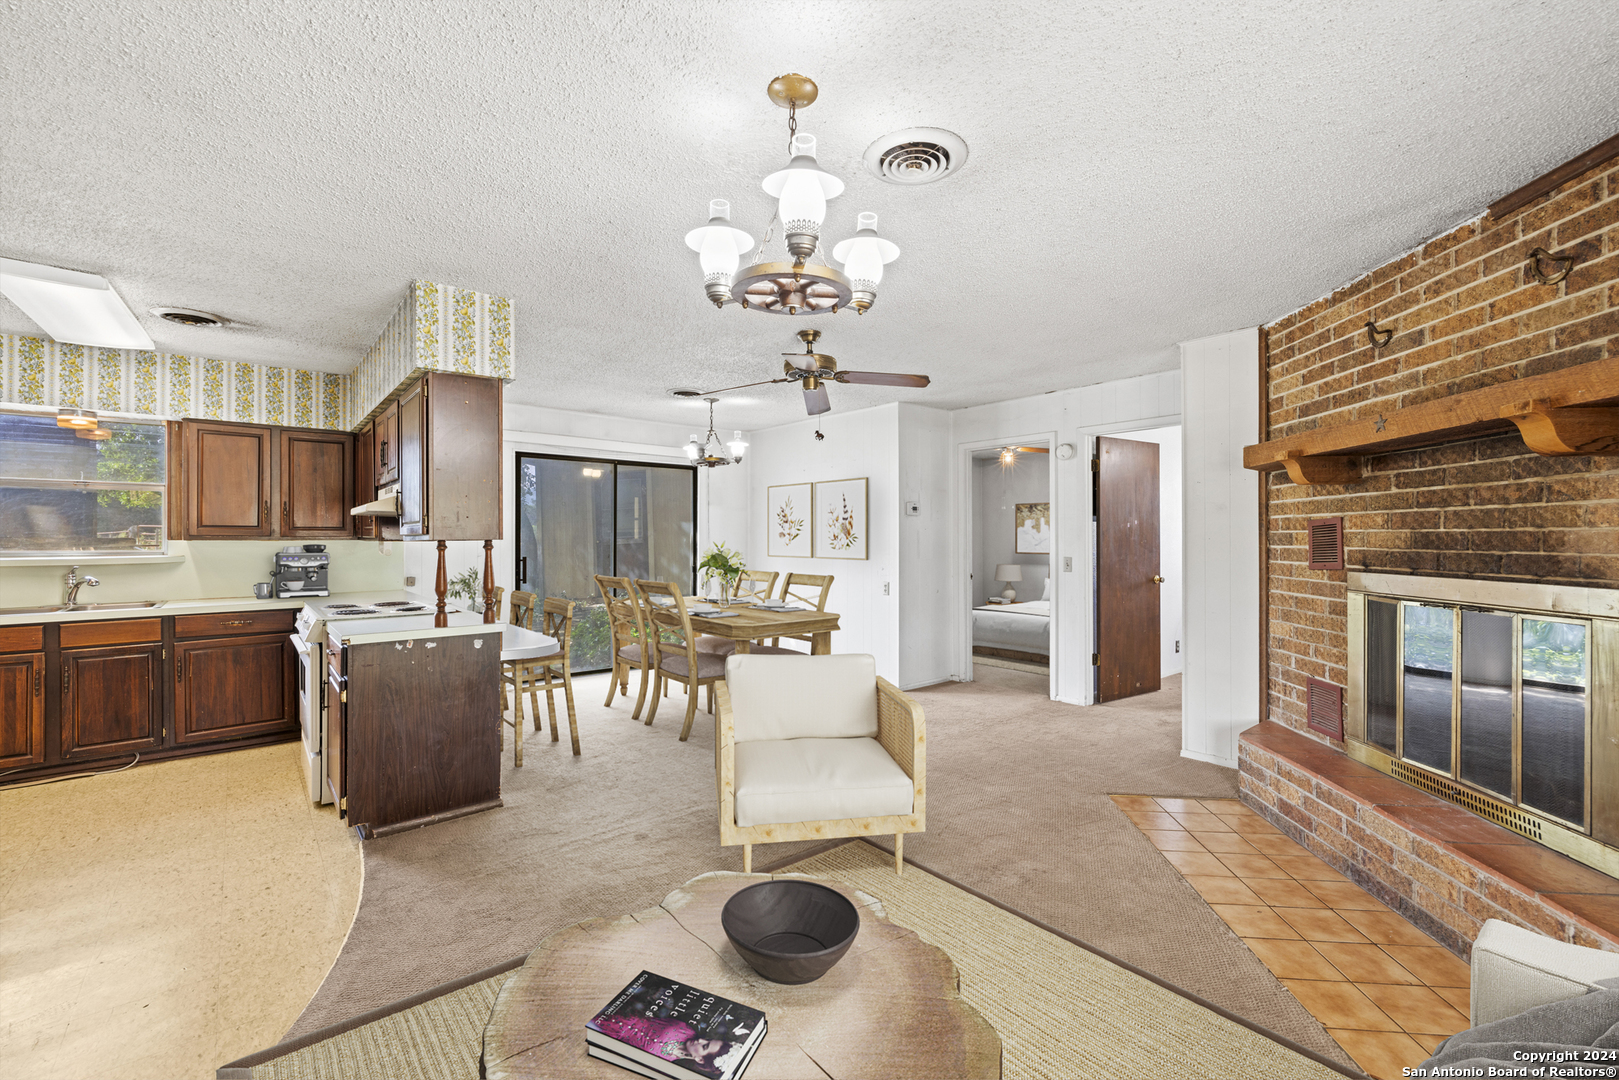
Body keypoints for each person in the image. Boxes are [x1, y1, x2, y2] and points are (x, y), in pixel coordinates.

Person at [590, 1014, 730, 1076]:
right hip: (615, 1014)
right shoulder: (686, 1029)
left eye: (705, 1046)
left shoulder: (664, 1065)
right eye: (708, 1040)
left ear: (700, 1059)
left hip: (604, 1036)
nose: (701, 1040)